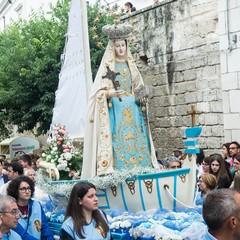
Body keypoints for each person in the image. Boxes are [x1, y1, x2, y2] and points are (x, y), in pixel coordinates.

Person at [81, 22, 159, 178]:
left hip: (134, 111)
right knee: (119, 139)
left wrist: (144, 98)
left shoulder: (132, 66)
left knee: (137, 140)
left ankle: (142, 168)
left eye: (123, 45)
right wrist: (110, 93)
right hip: (116, 110)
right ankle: (118, 171)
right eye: (118, 46)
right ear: (113, 47)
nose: (121, 48)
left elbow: (139, 87)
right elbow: (98, 92)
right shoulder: (108, 66)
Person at [7, 176, 54, 240]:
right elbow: (22, 234)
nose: (27, 191)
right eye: (23, 189)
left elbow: (45, 227)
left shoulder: (37, 205)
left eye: (29, 188)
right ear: (16, 191)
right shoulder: (11, 208)